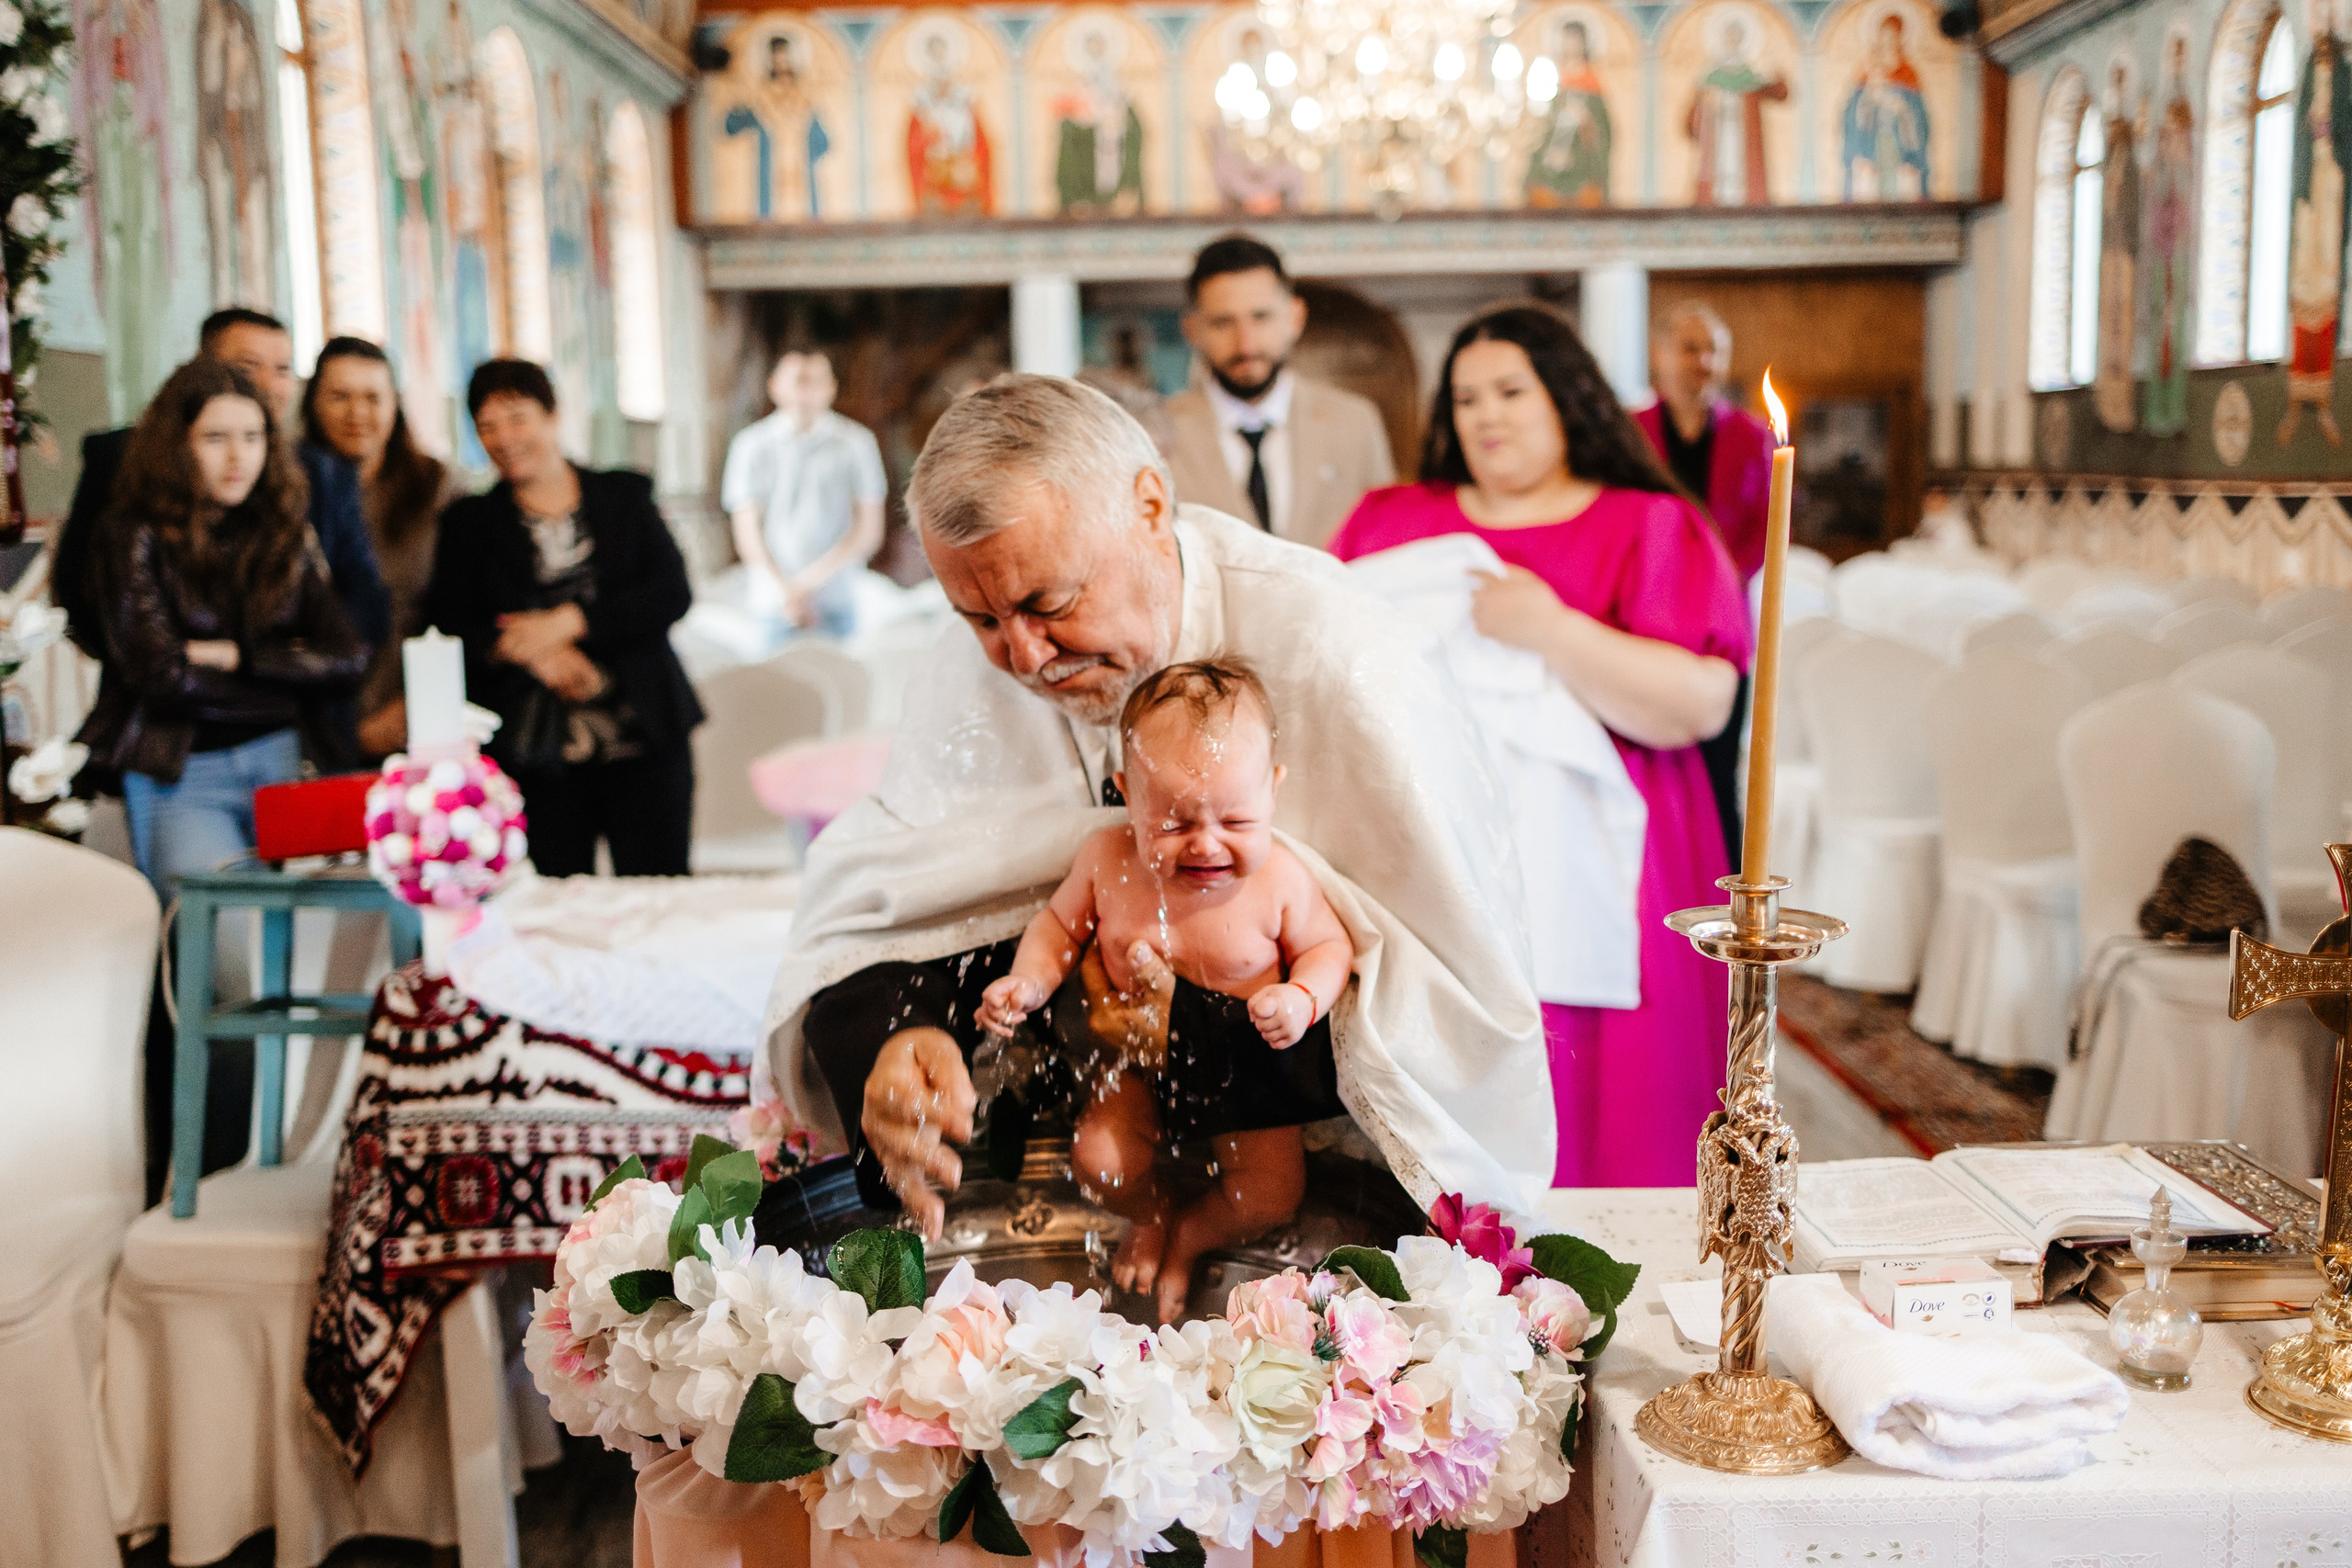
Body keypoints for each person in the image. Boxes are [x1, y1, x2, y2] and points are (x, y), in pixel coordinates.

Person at [761, 373, 1547, 1247]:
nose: (1023, 657)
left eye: (1049, 603)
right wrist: (900, 1036)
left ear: (1148, 506)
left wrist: (1202, 1018)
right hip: (1072, 1181)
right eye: (978, 618)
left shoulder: (1340, 660)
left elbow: (1451, 1011)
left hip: (1325, 1193)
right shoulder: (971, 666)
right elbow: (889, 900)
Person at [1328, 302, 1749, 1189]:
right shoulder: (1392, 521)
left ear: (1568, 397)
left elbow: (1703, 703)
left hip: (1607, 864)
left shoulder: (1650, 524)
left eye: (1511, 391)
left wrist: (1551, 629)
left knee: (1604, 1089)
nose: (1486, 415)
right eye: (1466, 397)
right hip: (1430, 845)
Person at [978, 659, 1353, 1322]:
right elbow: (1059, 927)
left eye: (1236, 821)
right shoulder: (1106, 860)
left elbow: (1330, 947)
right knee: (1100, 1163)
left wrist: (1303, 997)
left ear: (1272, 790)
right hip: (1139, 1063)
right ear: (1128, 794)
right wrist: (1029, 982)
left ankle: (1192, 1234)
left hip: (1244, 1071)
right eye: (1175, 824)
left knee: (1271, 1194)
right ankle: (1149, 1210)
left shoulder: (1280, 880)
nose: (1205, 844)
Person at [424, 360, 701, 877]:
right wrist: (535, 656)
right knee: (554, 901)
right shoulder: (469, 523)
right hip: (536, 751)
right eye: (487, 426)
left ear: (553, 415)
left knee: (660, 894)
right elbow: (450, 623)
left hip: (644, 730)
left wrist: (570, 622)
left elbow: (670, 593)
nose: (504, 438)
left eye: (517, 417)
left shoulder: (624, 495)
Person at [56, 310, 390, 737]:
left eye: (283, 370)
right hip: (172, 732)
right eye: (248, 367)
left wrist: (250, 659)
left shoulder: (312, 481)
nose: (267, 384)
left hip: (292, 730)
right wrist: (147, 661)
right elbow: (85, 593)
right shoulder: (127, 473)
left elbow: (357, 619)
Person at [1634, 301, 1774, 865]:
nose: (1705, 361)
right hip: (1647, 619)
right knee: (1653, 771)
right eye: (1691, 348)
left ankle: (1729, 892)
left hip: (1723, 626)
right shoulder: (1632, 433)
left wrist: (1712, 581)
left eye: (1714, 350)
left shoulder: (1750, 435)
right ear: (1660, 355)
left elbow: (1768, 526)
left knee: (1720, 775)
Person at [1164, 234, 1395, 549]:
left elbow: (1386, 544)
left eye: (1261, 317)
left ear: (1295, 318)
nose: (1246, 344)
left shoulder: (1355, 422)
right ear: (1192, 330)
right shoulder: (1158, 434)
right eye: (1223, 322)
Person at [301, 336, 458, 757]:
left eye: (373, 398)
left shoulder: (437, 488)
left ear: (395, 405)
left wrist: (415, 705)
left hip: (414, 712)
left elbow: (459, 608)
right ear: (313, 404)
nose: (357, 413)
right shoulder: (287, 490)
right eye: (340, 397)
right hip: (312, 720)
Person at [720, 350, 887, 643]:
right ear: (774, 386)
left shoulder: (857, 443)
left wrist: (807, 586)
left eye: (816, 381)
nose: (806, 390)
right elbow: (747, 532)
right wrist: (787, 590)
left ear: (832, 388)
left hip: (837, 601)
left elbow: (868, 530)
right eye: (798, 380)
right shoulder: (750, 445)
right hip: (773, 604)